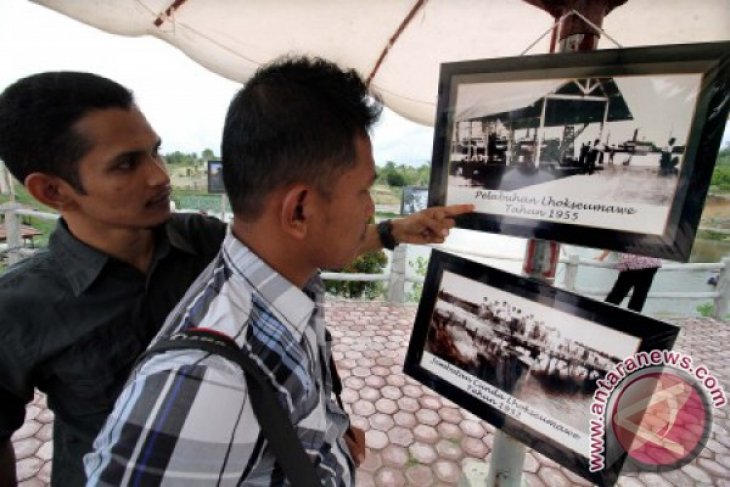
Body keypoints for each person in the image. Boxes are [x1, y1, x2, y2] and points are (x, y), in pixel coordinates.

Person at [0, 71, 471, 486]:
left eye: (156, 152)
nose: (160, 176)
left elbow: (295, 241)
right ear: (52, 190)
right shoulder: (20, 307)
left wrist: (322, 429)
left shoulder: (201, 241)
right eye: (127, 164)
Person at [597, 250, 662, 312]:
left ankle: (602, 317)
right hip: (651, 263)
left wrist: (601, 257)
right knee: (639, 298)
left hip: (632, 263)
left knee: (616, 296)